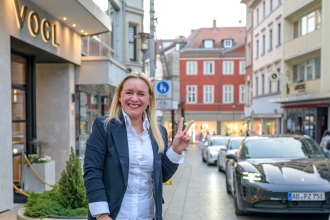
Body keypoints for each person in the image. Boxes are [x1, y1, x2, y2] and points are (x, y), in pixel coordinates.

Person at [83, 72, 194, 220]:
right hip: (113, 216)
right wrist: (102, 215)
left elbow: (161, 176)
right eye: (129, 92)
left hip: (147, 216)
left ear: (149, 100)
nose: (134, 98)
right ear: (120, 97)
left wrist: (175, 151)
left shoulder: (159, 132)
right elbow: (92, 172)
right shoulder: (104, 127)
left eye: (141, 94)